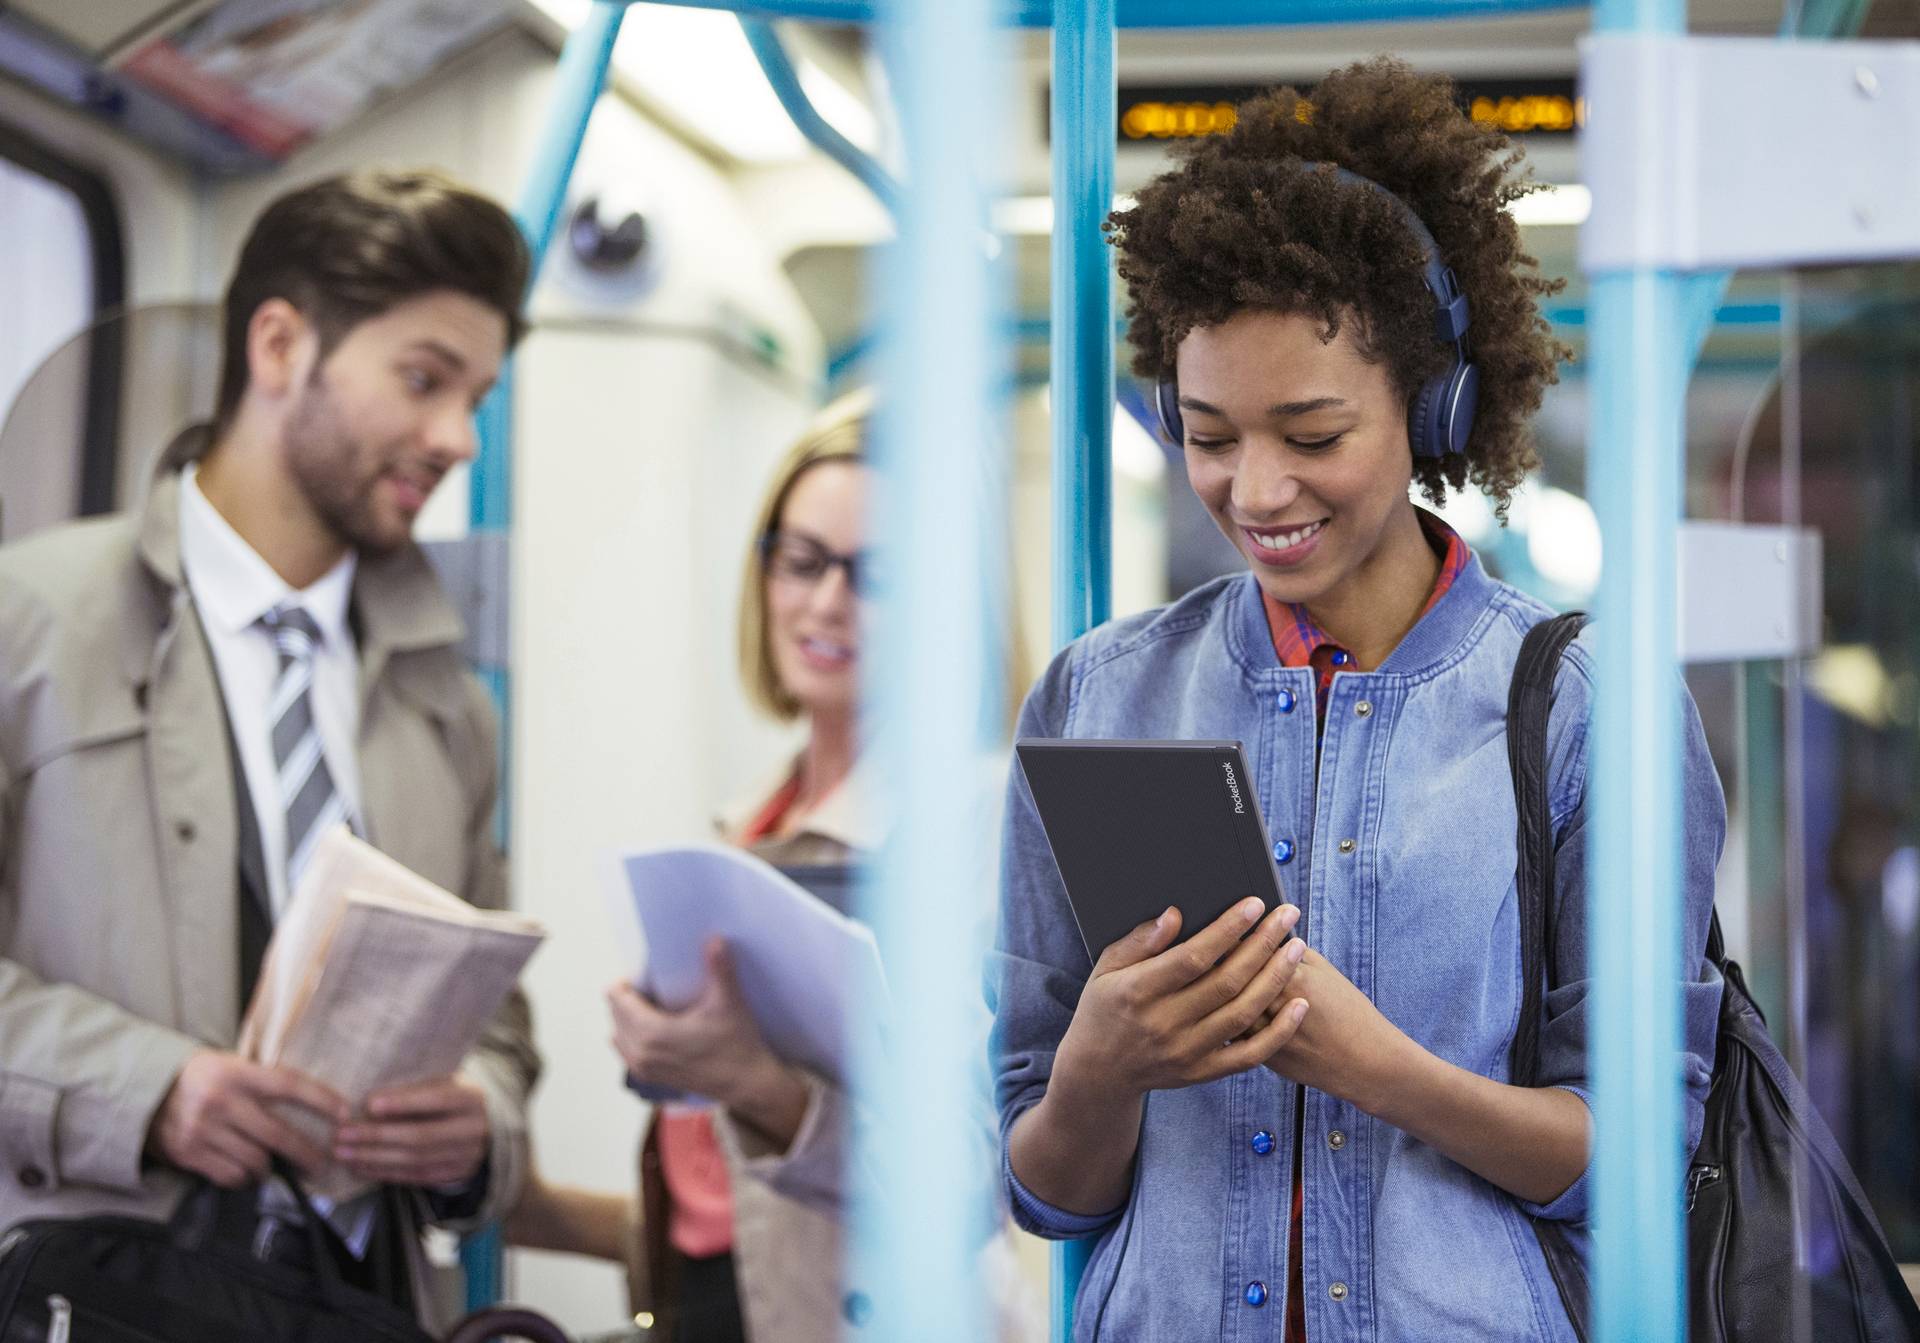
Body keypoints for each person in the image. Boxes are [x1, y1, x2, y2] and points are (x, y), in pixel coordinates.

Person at [990, 59, 1725, 1341]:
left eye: (1313, 435)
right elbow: (1044, 1193)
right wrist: (1100, 1066)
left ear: (1433, 405)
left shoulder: (1587, 712)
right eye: (1209, 436)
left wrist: (1374, 1066)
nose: (1256, 491)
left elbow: (1637, 1165)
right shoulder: (1102, 697)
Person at [0, 169, 540, 1322]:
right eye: (424, 379)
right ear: (281, 344)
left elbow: (497, 1034)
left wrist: (476, 1121)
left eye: (476, 395)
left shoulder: (452, 703)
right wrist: (145, 1087)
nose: (457, 437)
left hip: (361, 1298)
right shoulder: (29, 624)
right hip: (98, 1285)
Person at [508, 395, 1039, 1342]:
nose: (825, 602)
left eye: (876, 575)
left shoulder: (976, 821)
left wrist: (756, 1083)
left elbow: (983, 1174)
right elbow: (728, 1222)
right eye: (801, 561)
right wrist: (521, 1196)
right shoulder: (750, 823)